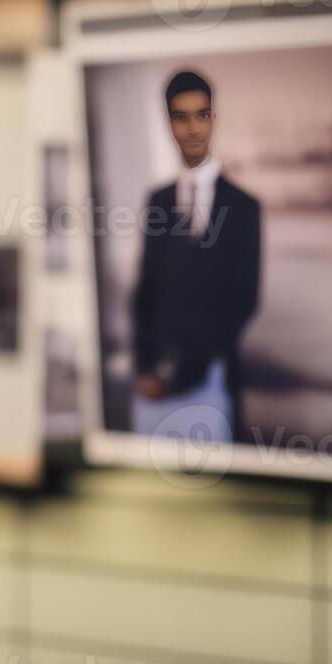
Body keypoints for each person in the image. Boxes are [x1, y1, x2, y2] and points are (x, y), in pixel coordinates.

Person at [130, 69, 261, 443]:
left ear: (213, 118)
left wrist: (179, 372)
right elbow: (146, 291)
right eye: (181, 117)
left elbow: (244, 301)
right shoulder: (158, 201)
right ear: (168, 122)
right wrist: (146, 368)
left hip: (211, 379)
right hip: (154, 385)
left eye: (202, 115)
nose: (193, 129)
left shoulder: (244, 207)